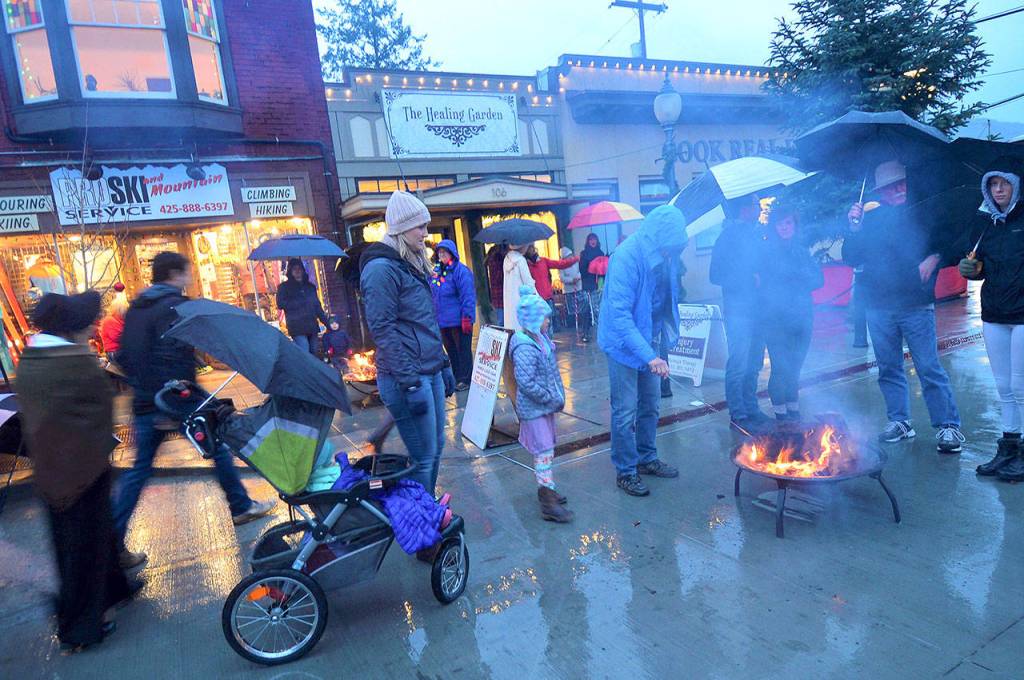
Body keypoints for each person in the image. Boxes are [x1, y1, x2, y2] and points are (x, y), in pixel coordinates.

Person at [115, 252, 274, 568]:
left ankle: (111, 545)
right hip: (172, 398)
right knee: (216, 444)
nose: (189, 277)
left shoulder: (137, 308)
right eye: (187, 272)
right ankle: (240, 506)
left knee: (141, 470)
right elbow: (172, 356)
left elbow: (126, 356)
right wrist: (167, 404)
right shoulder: (171, 306)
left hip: (149, 399)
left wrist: (148, 396)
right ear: (175, 274)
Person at [17, 291, 136, 653]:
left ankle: (115, 589)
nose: (94, 325)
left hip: (54, 466)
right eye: (88, 322)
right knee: (82, 546)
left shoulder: (32, 358)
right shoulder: (71, 361)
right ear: (71, 327)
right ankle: (80, 627)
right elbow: (97, 404)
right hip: (80, 468)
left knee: (87, 538)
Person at [843, 160, 964, 452]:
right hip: (878, 305)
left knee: (928, 366)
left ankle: (949, 426)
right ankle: (900, 422)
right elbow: (851, 257)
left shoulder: (924, 212)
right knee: (888, 368)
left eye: (901, 183)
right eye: (890, 186)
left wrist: (934, 256)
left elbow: (953, 240)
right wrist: (854, 229)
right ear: (881, 191)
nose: (898, 189)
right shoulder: (870, 220)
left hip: (916, 304)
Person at [360, 191, 456, 501]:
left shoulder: (411, 263)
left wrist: (444, 364)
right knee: (424, 456)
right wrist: (411, 384)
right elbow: (383, 330)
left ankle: (424, 511)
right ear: (401, 229)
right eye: (420, 227)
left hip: (428, 370)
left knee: (437, 446)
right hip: (407, 378)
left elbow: (424, 322)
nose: (426, 234)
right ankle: (420, 520)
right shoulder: (381, 269)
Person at [598, 205, 687, 497]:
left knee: (651, 405)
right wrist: (649, 356)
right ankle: (625, 471)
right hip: (623, 345)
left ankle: (647, 458)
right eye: (667, 249)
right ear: (656, 239)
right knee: (625, 411)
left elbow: (665, 299)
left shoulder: (666, 255)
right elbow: (620, 316)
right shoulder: (626, 257)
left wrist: (661, 343)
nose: (669, 255)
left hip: (651, 337)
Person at [958, 158, 1024, 479]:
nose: (998, 190)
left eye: (1004, 183)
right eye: (993, 184)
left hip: (1023, 315)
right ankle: (1009, 446)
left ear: (1016, 185)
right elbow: (979, 266)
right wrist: (971, 270)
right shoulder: (984, 222)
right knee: (1003, 387)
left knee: (1021, 387)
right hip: (994, 313)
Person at [510, 285, 573, 522]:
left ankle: (548, 489)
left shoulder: (540, 340)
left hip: (543, 407)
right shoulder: (525, 346)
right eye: (545, 318)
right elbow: (526, 382)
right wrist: (550, 397)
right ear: (534, 319)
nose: (548, 321)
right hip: (535, 409)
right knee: (544, 451)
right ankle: (547, 500)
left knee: (547, 450)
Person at [710, 194, 771, 434]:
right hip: (738, 311)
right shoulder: (726, 238)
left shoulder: (756, 234)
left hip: (759, 309)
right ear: (745, 208)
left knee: (754, 362)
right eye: (756, 204)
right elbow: (715, 275)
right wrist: (748, 277)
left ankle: (752, 407)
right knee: (739, 362)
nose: (759, 208)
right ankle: (738, 414)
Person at [756, 204, 823, 422]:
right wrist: (795, 279)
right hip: (775, 320)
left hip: (802, 318)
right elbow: (766, 285)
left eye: (788, 223)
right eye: (780, 223)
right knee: (780, 368)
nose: (784, 227)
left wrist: (796, 277)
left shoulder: (802, 251)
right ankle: (781, 417)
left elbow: (818, 279)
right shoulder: (766, 252)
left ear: (795, 225)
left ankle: (794, 412)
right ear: (773, 227)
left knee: (795, 368)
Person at [431, 239, 477, 390]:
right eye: (439, 252)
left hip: (458, 320)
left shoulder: (461, 271)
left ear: (452, 253)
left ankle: (466, 379)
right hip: (443, 321)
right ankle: (457, 377)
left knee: (462, 350)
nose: (441, 254)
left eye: (444, 252)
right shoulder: (436, 272)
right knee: (451, 351)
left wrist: (467, 317)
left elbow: (468, 295)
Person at [276, 258, 328, 353]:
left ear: (303, 270)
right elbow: (280, 304)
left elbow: (317, 307)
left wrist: (327, 323)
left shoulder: (310, 287)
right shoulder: (284, 287)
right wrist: (297, 302)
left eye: (299, 268)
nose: (297, 271)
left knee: (314, 352)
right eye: (294, 269)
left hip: (311, 325)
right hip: (297, 327)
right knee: (305, 352)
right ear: (290, 271)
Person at [525, 244, 579, 329]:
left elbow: (560, 264)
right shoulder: (525, 265)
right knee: (539, 325)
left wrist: (575, 259)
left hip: (547, 297)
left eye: (532, 249)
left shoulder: (543, 261)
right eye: (529, 250)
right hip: (536, 299)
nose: (532, 251)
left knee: (549, 324)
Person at [502, 243, 536, 333]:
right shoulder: (521, 260)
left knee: (513, 328)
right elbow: (528, 283)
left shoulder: (506, 259)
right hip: (522, 301)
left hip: (510, 301)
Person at [578, 233, 606, 342]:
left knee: (598, 308)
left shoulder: (601, 253)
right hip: (587, 284)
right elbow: (582, 270)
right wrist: (589, 264)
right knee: (586, 308)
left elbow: (603, 271)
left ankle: (601, 331)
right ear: (588, 241)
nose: (593, 241)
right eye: (591, 239)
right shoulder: (584, 254)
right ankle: (585, 332)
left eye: (594, 239)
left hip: (597, 284)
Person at [558, 246, 584, 341]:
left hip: (578, 286)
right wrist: (571, 280)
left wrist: (577, 277)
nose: (569, 257)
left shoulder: (576, 262)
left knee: (580, 305)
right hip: (569, 289)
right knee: (571, 307)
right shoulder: (561, 265)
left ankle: (581, 322)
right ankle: (572, 323)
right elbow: (562, 278)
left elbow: (581, 271)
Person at [98, 287, 128, 356]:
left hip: (118, 350)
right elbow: (117, 337)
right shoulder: (110, 320)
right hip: (114, 351)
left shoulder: (117, 320)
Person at [485, 243, 508, 326]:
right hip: (501, 295)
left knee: (501, 320)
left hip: (497, 296)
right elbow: (499, 278)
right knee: (502, 321)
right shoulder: (497, 259)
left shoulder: (492, 257)